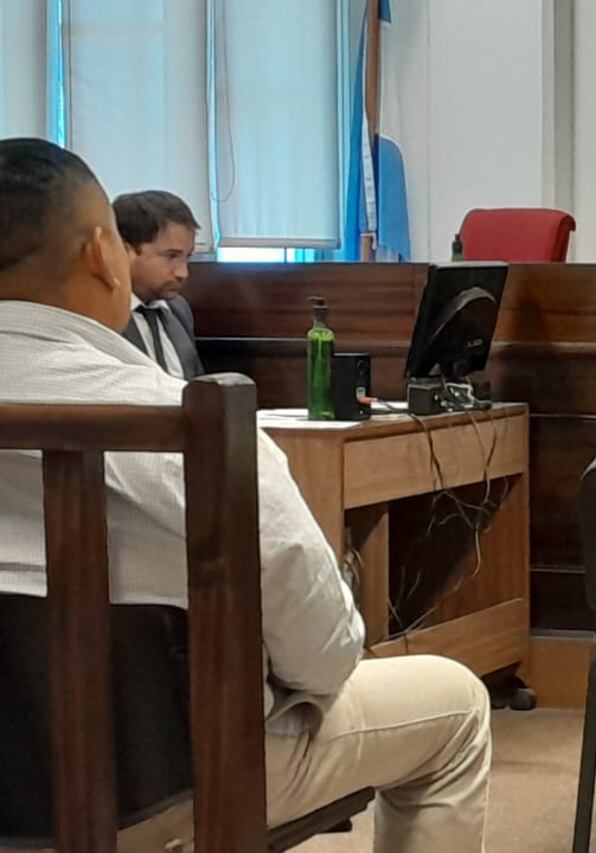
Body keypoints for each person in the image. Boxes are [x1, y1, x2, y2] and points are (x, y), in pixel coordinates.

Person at [0, 138, 490, 853]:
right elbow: (323, 657)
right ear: (102, 255)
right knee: (455, 706)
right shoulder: (182, 420)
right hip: (168, 785)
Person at [114, 190, 204, 379]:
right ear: (125, 251)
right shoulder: (103, 314)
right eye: (171, 256)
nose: (183, 273)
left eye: (187, 257)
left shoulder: (178, 309)